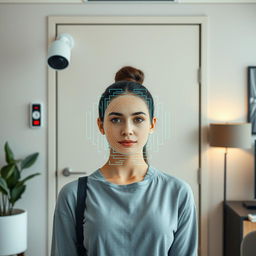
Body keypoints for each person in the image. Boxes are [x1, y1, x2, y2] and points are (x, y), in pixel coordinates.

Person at [51, 66, 198, 256]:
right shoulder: (72, 195)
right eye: (115, 120)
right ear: (100, 125)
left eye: (138, 119)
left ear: (152, 124)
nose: (127, 130)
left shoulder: (178, 193)